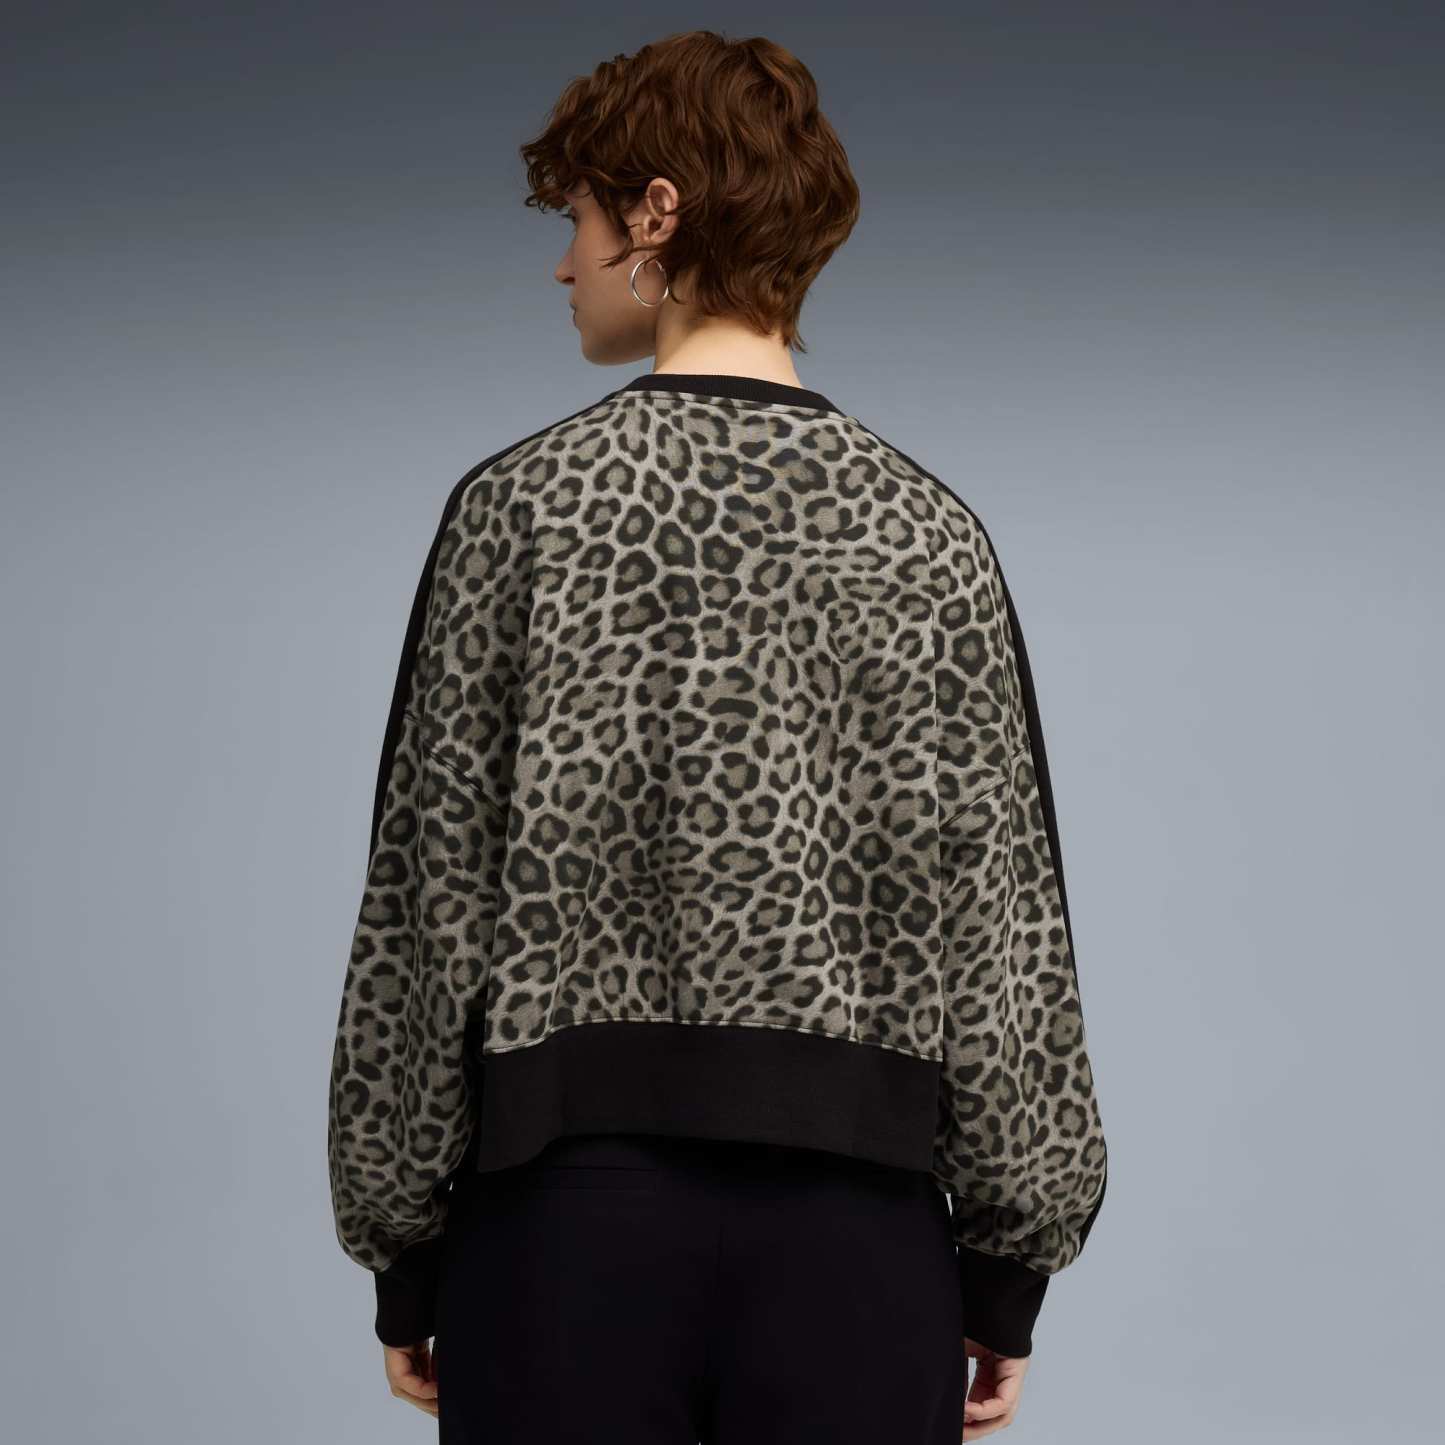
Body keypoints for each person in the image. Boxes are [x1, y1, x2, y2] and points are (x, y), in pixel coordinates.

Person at [326, 28, 1108, 1444]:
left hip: (559, 1234)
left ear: (655, 214)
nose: (562, 264)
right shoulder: (931, 537)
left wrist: (402, 1248)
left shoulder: (519, 511)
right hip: (857, 1244)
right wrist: (1009, 1270)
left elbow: (426, 905)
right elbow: (1004, 931)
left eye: (575, 218)